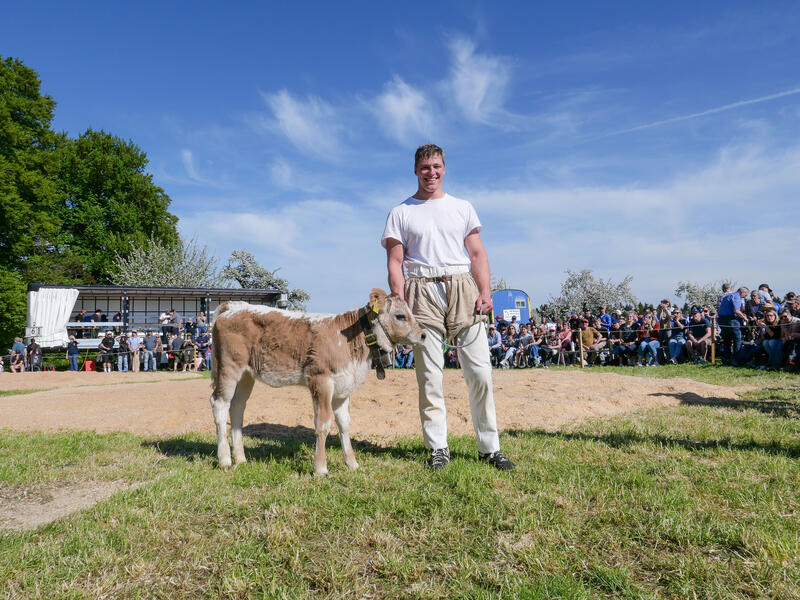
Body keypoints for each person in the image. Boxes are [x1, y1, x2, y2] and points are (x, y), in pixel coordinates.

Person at [381, 143, 514, 471]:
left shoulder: (463, 207)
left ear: (444, 168)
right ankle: (438, 447)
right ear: (415, 170)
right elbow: (395, 262)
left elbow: (477, 254)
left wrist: (486, 291)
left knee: (480, 372)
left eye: (437, 166)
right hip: (421, 291)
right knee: (429, 376)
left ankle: (489, 447)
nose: (431, 172)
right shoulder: (401, 212)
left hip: (463, 289)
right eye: (425, 167)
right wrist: (400, 302)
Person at [718, 286, 749, 361]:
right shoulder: (737, 297)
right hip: (730, 320)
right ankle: (736, 358)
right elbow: (736, 311)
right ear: (742, 292)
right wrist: (745, 318)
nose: (745, 297)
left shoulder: (727, 296)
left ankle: (726, 357)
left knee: (726, 339)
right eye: (745, 295)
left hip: (721, 320)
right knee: (737, 338)